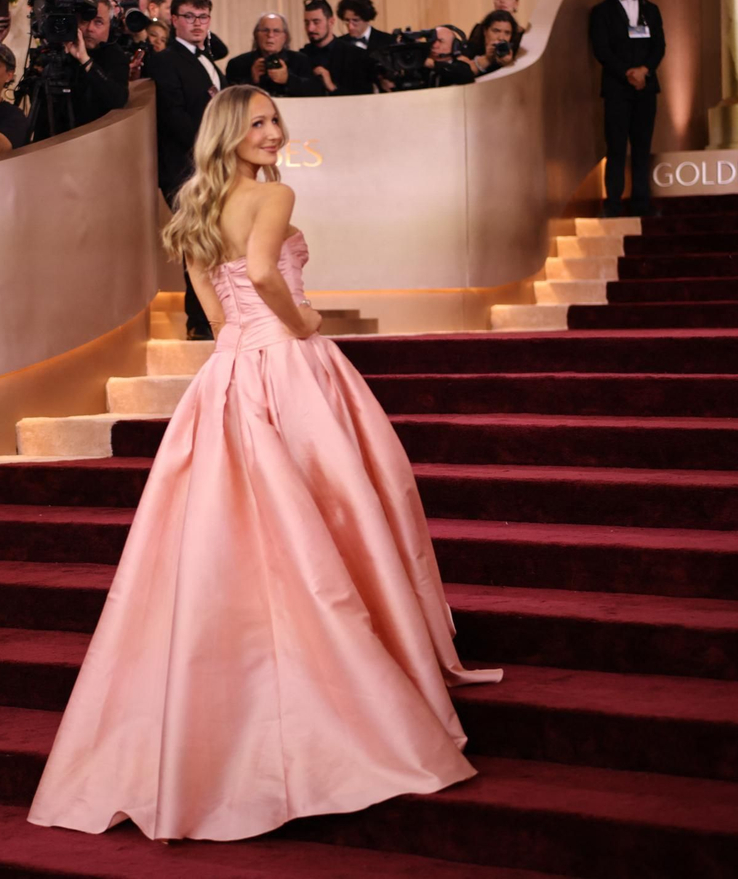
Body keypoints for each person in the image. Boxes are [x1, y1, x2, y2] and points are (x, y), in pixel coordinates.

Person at [28, 85, 501, 842]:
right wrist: (305, 321)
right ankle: (353, 684)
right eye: (257, 122)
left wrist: (253, 336)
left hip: (230, 371)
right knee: (333, 513)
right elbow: (267, 274)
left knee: (239, 534)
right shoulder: (275, 194)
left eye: (275, 119)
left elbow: (217, 317)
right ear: (229, 134)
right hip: (288, 364)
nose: (273, 132)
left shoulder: (192, 209)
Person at [143, 0, 226, 340]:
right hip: (184, 169)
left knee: (217, 242)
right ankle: (200, 321)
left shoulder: (208, 59)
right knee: (197, 244)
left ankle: (217, 316)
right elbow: (173, 117)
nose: (197, 23)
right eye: (189, 16)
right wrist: (213, 148)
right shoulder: (164, 60)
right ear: (174, 19)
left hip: (213, 168)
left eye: (203, 17)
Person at [589, 0, 666, 217]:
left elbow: (659, 46)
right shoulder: (602, 11)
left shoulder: (651, 9)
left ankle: (641, 203)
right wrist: (627, 73)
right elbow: (602, 50)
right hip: (617, 88)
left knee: (642, 146)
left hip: (646, 87)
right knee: (617, 146)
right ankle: (613, 203)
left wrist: (645, 70)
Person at [68, 0, 132, 127]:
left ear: (111, 27)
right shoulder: (60, 53)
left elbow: (117, 100)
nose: (90, 28)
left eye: (98, 22)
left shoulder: (116, 56)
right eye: (85, 20)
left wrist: (85, 60)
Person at [224, 12, 323, 97]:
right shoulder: (237, 64)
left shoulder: (300, 60)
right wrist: (252, 80)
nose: (270, 35)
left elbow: (316, 92)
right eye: (265, 30)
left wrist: (288, 79)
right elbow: (229, 99)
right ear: (256, 35)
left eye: (276, 31)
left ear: (285, 37)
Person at [302, 0, 370, 96]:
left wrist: (332, 87)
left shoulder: (356, 56)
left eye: (316, 22)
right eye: (307, 23)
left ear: (331, 22)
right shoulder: (302, 56)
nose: (310, 28)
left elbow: (364, 99)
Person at [466, 9, 519, 77]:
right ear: (485, 31)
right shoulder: (471, 48)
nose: (501, 38)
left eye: (507, 33)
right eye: (496, 31)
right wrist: (487, 59)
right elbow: (462, 74)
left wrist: (509, 65)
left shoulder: (516, 53)